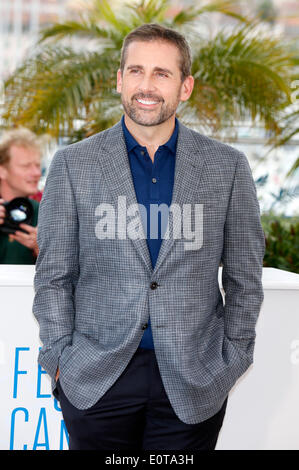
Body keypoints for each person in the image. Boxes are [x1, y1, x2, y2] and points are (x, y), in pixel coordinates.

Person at [33, 24, 265, 451]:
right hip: (95, 381)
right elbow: (53, 276)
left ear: (185, 86)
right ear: (119, 79)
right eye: (136, 70)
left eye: (162, 73)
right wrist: (59, 360)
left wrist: (233, 358)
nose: (146, 85)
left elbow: (245, 278)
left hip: (194, 381)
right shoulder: (72, 165)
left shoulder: (227, 168)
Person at [0, 128, 41, 264]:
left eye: (37, 165)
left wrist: (42, 248)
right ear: (2, 171)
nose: (36, 173)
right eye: (26, 166)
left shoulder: (46, 213)